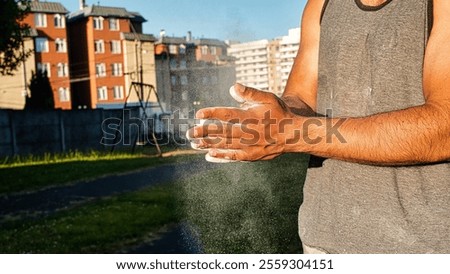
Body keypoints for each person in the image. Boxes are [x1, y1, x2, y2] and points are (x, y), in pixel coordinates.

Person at [187, 0, 450, 253]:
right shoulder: (321, 4)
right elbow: (300, 99)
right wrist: (269, 120)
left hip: (421, 247)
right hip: (321, 240)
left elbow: (444, 127)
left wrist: (294, 133)